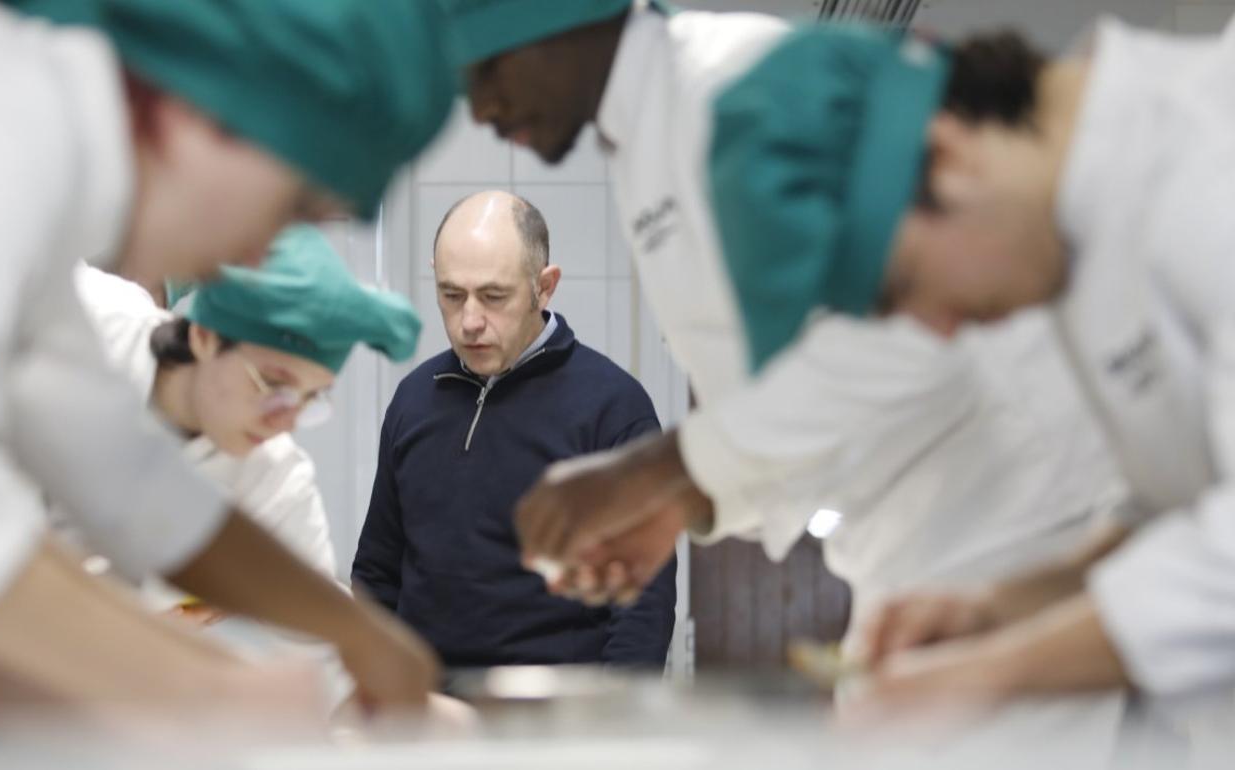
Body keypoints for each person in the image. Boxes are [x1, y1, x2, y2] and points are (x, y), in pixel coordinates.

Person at [439, 0, 1120, 682]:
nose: (482, 107)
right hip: (915, 536)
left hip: (1011, 515)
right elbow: (789, 392)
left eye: (491, 64)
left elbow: (913, 337)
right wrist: (685, 503)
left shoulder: (732, 85)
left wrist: (655, 472)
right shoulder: (643, 143)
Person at [609, 13, 1235, 709]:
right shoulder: (1072, 229)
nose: (936, 328)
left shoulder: (1208, 168)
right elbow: (1174, 513)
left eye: (902, 288)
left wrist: (992, 672)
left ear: (949, 157)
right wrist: (994, 612)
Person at [0, 0, 454, 711]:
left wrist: (354, 631)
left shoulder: (47, 179)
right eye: (294, 206)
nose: (259, 254)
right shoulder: (11, 141)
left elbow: (126, 478)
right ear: (215, 113)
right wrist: (202, 693)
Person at [353, 191, 676, 670]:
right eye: (451, 294)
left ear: (544, 287)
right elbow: (378, 574)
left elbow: (643, 603)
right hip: (428, 713)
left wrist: (612, 720)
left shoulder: (612, 408)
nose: (469, 322)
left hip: (558, 716)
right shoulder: (415, 399)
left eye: (493, 296)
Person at [71, 225, 423, 621]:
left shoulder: (275, 480)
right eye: (274, 384)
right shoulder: (87, 325)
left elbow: (326, 633)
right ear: (205, 336)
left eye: (311, 397)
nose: (284, 422)